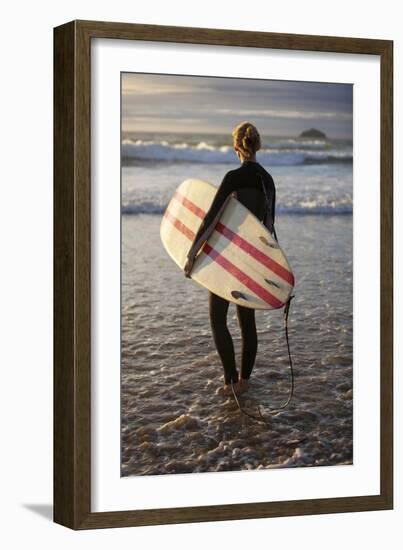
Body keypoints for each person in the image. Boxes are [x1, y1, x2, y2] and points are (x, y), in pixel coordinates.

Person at [184, 121, 277, 396]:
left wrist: (191, 254)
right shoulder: (268, 180)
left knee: (218, 319)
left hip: (227, 259)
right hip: (252, 260)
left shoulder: (233, 178)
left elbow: (211, 220)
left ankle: (229, 380)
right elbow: (268, 229)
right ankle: (245, 382)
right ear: (256, 146)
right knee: (247, 323)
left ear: (236, 147)